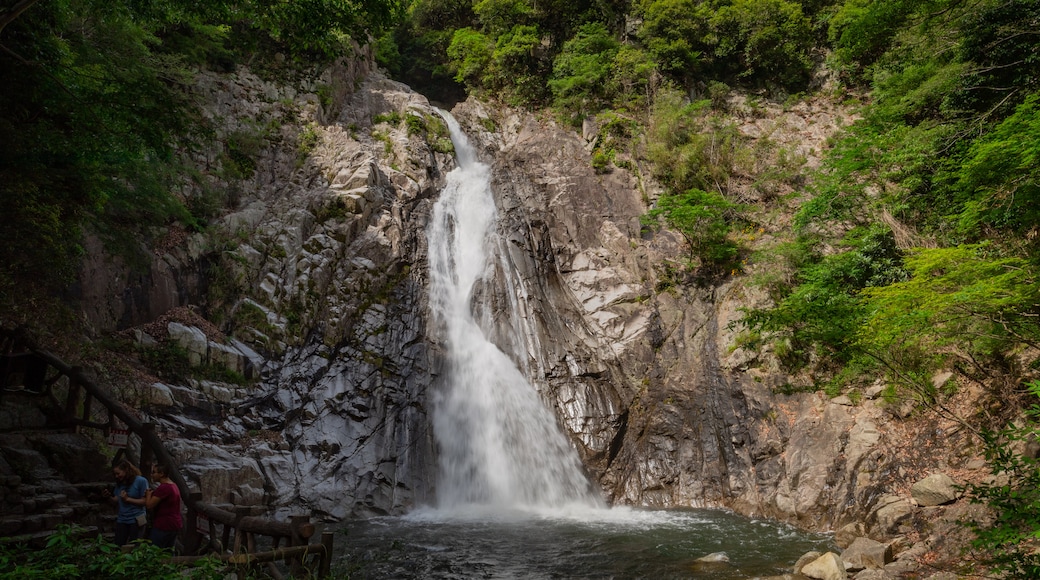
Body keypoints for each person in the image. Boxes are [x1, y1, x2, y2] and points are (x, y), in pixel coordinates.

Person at [106, 459, 149, 546]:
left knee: (135, 546)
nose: (117, 476)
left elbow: (145, 501)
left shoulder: (141, 481)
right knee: (118, 545)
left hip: (137, 519)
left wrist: (128, 499)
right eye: (115, 474)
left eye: (118, 473)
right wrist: (108, 497)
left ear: (126, 470)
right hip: (122, 519)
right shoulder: (120, 483)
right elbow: (117, 500)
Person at [144, 463, 182, 551]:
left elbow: (149, 505)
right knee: (168, 551)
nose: (151, 475)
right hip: (174, 523)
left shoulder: (164, 488)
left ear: (161, 474)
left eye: (154, 472)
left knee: (154, 551)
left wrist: (148, 495)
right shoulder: (173, 485)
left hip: (164, 524)